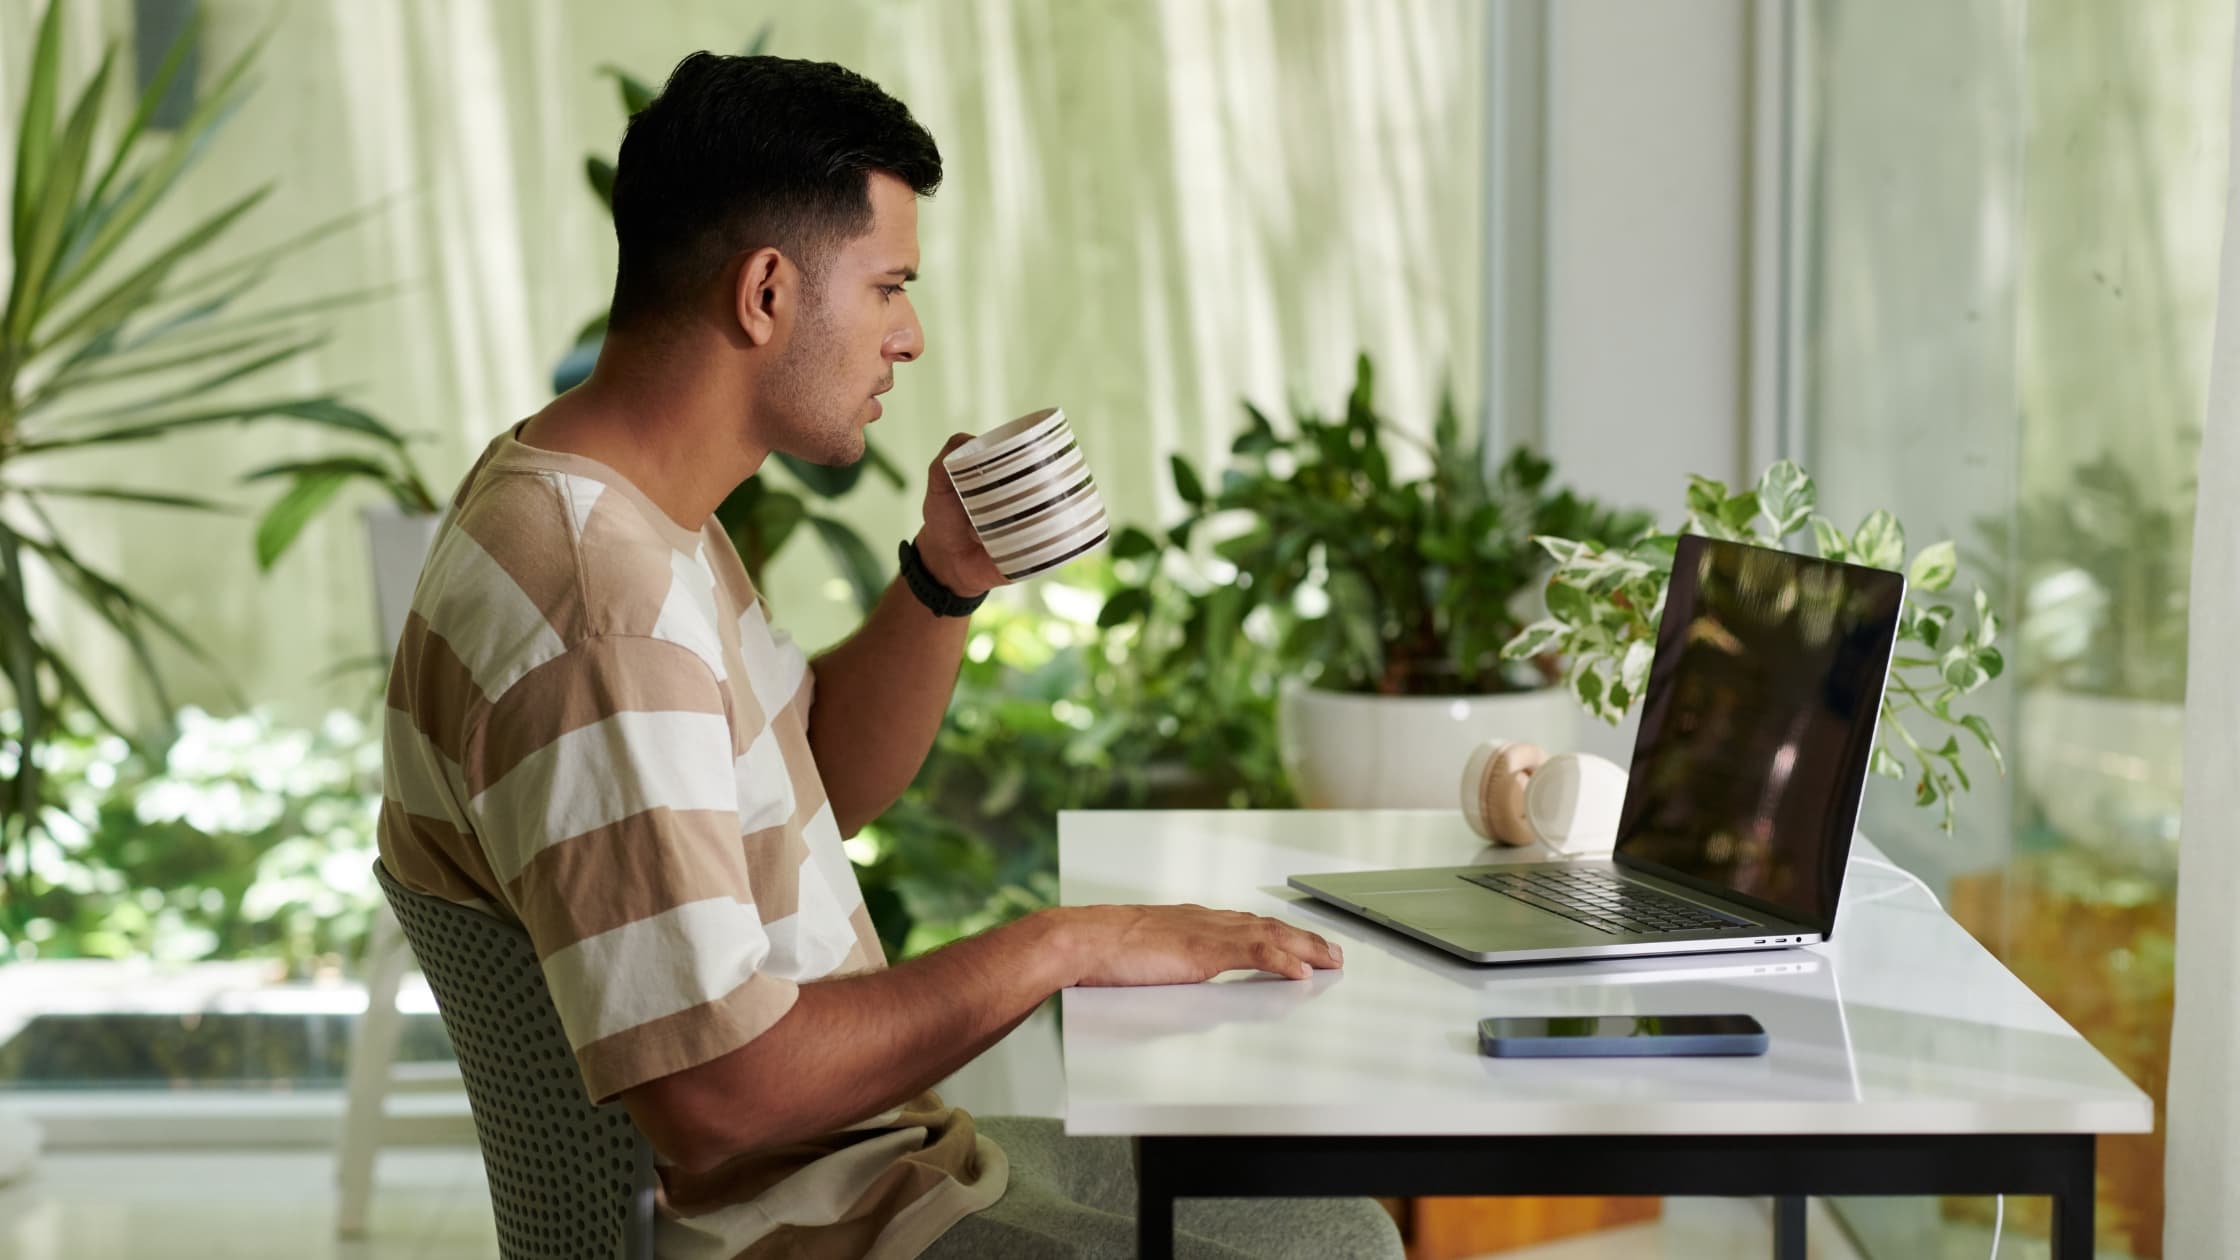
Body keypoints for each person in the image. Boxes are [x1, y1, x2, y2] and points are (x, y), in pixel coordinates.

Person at [377, 51, 1402, 1260]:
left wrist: (944, 574)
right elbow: (716, 1094)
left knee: (1328, 1218)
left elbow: (814, 781)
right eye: (887, 287)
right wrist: (1063, 943)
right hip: (811, 1225)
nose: (907, 338)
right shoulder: (604, 610)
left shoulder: (618, 507)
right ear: (765, 292)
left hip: (868, 1165)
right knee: (1336, 1246)